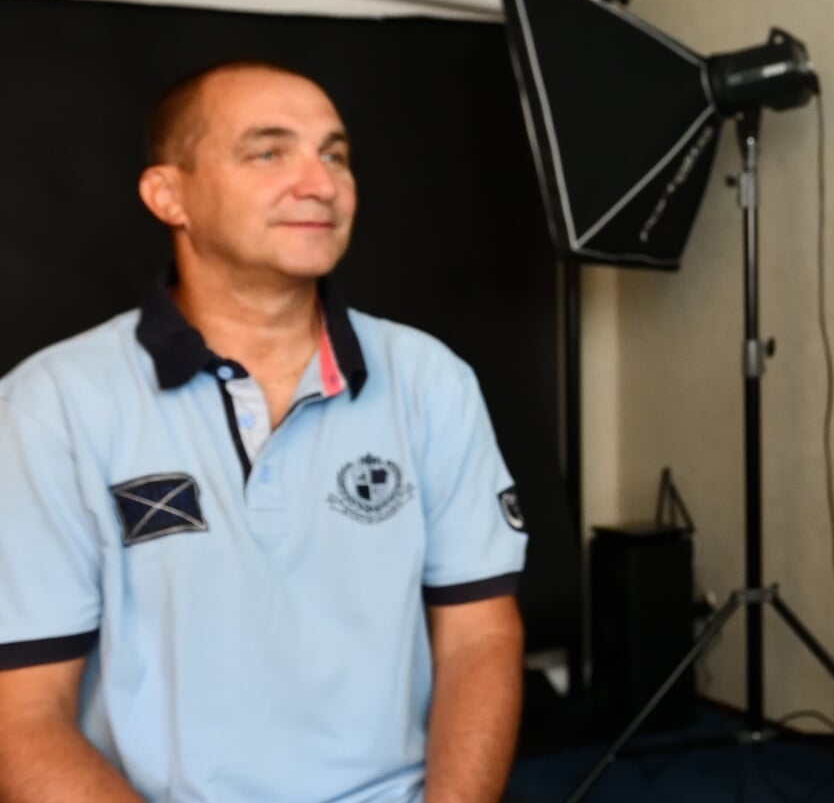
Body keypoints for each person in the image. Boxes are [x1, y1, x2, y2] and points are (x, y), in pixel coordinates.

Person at [0, 61, 529, 802]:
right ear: (169, 194)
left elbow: (481, 637)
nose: (320, 183)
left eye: (335, 154)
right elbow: (21, 716)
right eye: (269, 151)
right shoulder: (50, 404)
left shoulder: (429, 380)